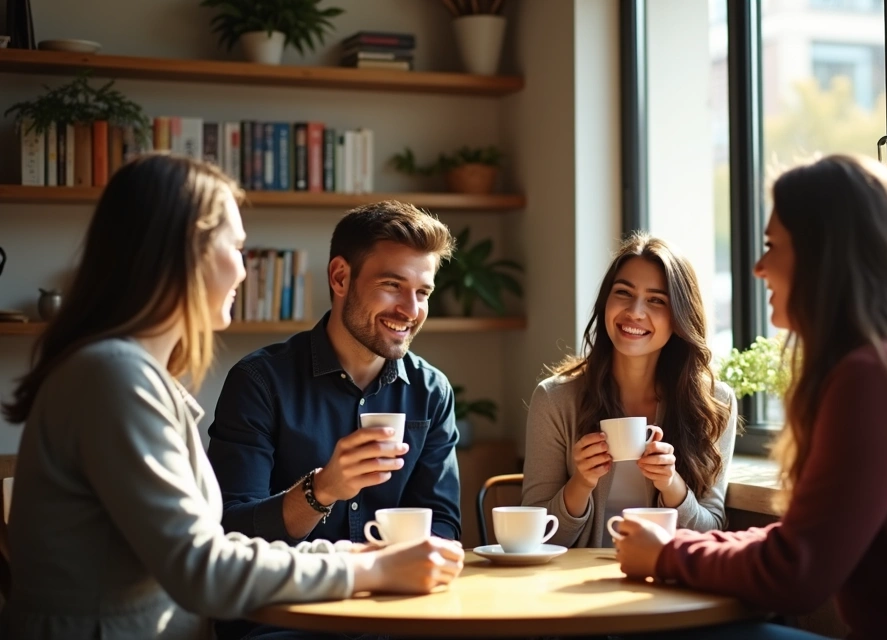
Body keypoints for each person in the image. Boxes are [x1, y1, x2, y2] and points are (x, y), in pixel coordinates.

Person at [0, 155, 464, 640]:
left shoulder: (129, 374)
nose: (243, 272)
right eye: (236, 247)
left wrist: (356, 556)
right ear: (179, 253)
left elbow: (201, 553)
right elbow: (204, 565)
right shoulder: (115, 377)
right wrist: (368, 568)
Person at [614, 155, 887, 640]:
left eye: (771, 246)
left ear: (823, 256)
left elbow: (796, 573)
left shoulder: (881, 376)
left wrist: (667, 555)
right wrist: (681, 547)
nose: (760, 268)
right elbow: (807, 540)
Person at [206, 200, 463, 639]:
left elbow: (443, 524)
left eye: (422, 292)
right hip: (281, 621)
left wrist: (398, 564)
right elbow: (231, 533)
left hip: (393, 616)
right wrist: (321, 490)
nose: (410, 309)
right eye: (392, 285)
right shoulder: (259, 382)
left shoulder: (431, 392)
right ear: (340, 277)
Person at [522, 233, 737, 548]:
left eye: (656, 300)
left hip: (662, 584)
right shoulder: (554, 400)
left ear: (679, 318)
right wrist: (581, 483)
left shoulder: (713, 403)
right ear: (605, 303)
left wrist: (671, 484)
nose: (635, 312)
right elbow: (534, 536)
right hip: (574, 589)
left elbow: (711, 532)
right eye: (623, 293)